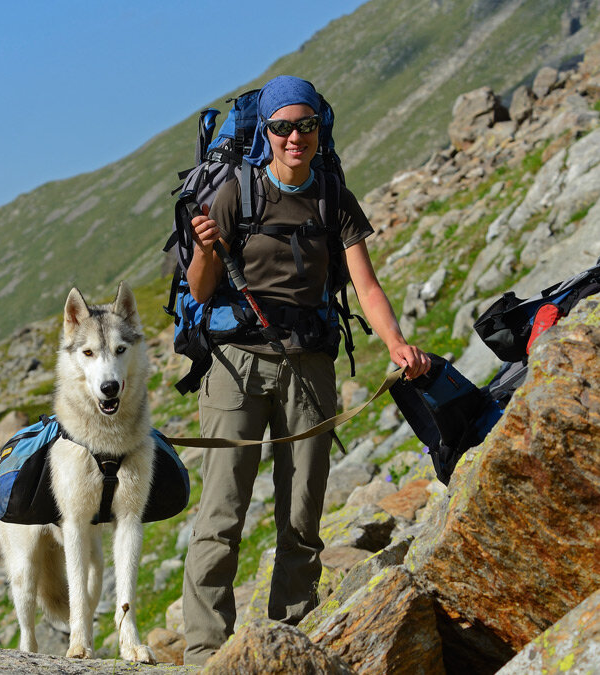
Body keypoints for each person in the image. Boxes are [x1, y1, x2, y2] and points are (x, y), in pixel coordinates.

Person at [180, 75, 429, 666]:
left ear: (320, 128)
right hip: (236, 367)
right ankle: (204, 654)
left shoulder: (333, 197)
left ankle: (288, 641)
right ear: (265, 132)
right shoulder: (235, 192)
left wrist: (396, 343)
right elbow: (200, 288)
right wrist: (206, 250)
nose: (295, 137)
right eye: (283, 127)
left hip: (308, 366)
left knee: (302, 516)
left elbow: (365, 285)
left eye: (306, 125)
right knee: (222, 510)